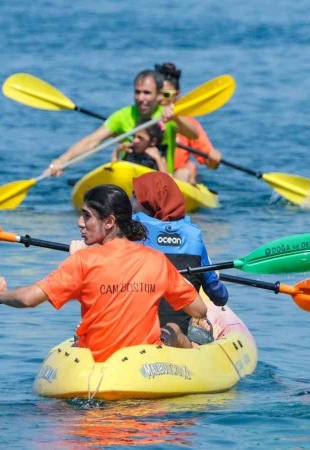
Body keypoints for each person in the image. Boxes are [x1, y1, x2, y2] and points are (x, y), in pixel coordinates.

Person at [0, 184, 210, 362]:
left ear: (110, 221)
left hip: (96, 366)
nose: (80, 223)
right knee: (176, 330)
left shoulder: (82, 261)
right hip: (143, 366)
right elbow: (199, 309)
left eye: (87, 216)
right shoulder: (157, 260)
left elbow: (28, 299)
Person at [131, 171, 229, 346]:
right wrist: (215, 279)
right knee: (203, 327)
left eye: (134, 196)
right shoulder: (193, 236)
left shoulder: (132, 230)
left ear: (148, 201)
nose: (130, 202)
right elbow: (219, 297)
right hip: (179, 336)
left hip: (136, 333)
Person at [44, 69, 198, 177]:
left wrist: (176, 118)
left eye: (147, 93)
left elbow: (194, 135)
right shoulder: (122, 116)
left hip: (161, 179)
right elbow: (92, 141)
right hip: (129, 178)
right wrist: (62, 161)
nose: (141, 98)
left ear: (158, 95)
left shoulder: (168, 114)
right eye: (137, 92)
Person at [155, 62, 223, 184]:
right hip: (149, 171)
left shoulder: (188, 124)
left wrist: (214, 158)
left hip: (177, 178)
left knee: (187, 171)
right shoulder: (141, 118)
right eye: (156, 93)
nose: (160, 99)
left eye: (166, 94)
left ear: (176, 95)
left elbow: (210, 163)